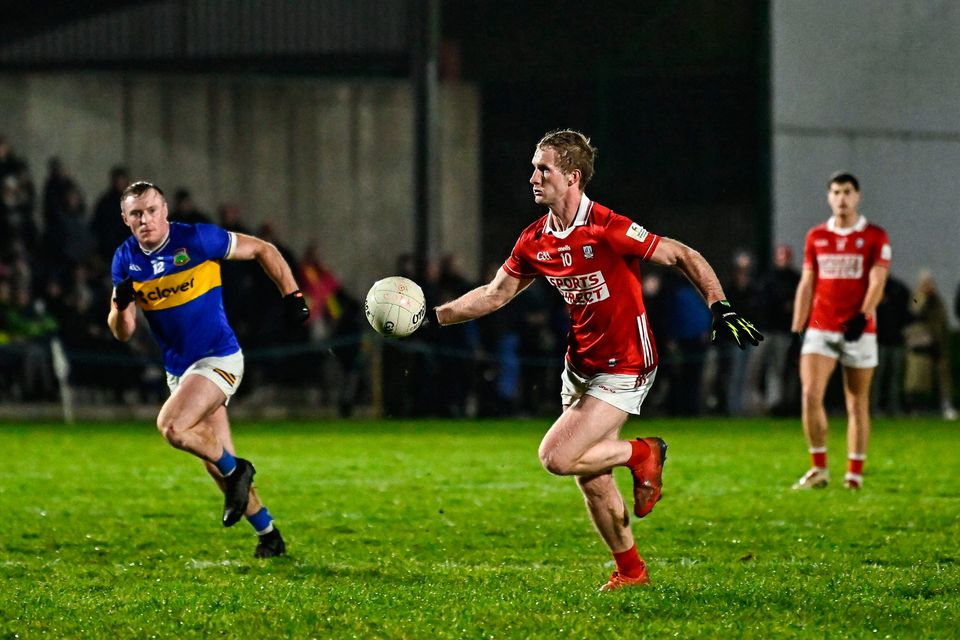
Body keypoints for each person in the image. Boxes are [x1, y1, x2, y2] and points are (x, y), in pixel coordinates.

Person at [433, 129, 762, 591]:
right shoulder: (534, 239)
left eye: (542, 168)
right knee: (591, 476)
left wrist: (719, 304)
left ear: (573, 177)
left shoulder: (608, 226)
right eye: (533, 166)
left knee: (556, 456)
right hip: (581, 364)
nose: (533, 176)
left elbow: (682, 254)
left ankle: (644, 452)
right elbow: (493, 295)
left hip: (627, 363)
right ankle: (632, 572)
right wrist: (433, 318)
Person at [106, 181, 309, 557]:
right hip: (180, 372)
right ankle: (269, 535)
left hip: (219, 357)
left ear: (164, 210)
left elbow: (262, 249)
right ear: (125, 219)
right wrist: (119, 306)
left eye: (151, 210)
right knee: (216, 462)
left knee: (172, 427)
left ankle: (238, 469)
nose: (145, 219)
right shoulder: (125, 259)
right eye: (136, 214)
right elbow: (124, 331)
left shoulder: (197, 240)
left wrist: (292, 294)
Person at [790, 172, 890, 491]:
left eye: (847, 191)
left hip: (859, 329)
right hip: (821, 326)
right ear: (828, 197)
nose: (841, 198)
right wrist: (797, 327)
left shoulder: (875, 236)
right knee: (809, 394)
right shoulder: (817, 236)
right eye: (836, 192)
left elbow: (877, 280)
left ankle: (854, 474)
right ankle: (818, 468)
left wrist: (863, 315)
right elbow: (807, 283)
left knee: (856, 402)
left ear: (857, 196)